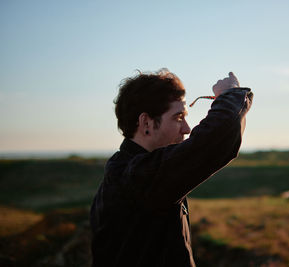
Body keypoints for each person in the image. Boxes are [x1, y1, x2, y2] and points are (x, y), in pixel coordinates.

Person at [90, 69, 253, 267]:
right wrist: (230, 94)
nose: (187, 128)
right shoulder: (138, 177)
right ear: (146, 122)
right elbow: (214, 139)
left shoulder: (129, 171)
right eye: (178, 117)